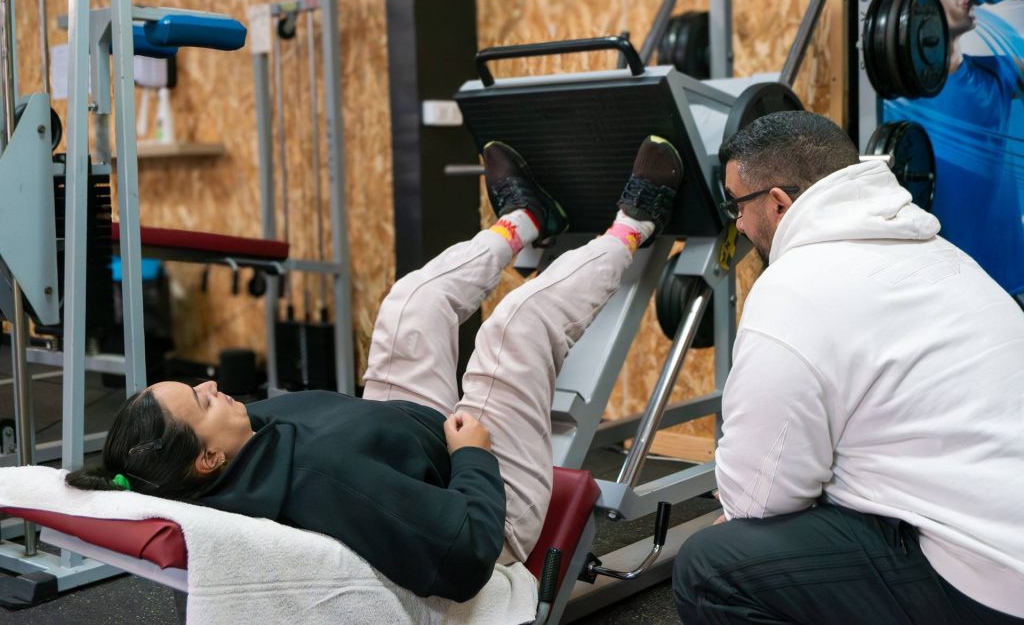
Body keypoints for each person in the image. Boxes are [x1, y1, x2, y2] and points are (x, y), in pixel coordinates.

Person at [66, 135, 684, 603]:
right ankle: (635, 229)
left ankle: (525, 220)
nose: (210, 385)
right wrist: (471, 454)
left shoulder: (224, 454)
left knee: (409, 305)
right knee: (514, 328)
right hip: (481, 503)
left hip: (399, 436)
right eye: (200, 401)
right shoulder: (324, 485)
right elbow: (464, 557)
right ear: (207, 460)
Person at [672, 110, 1024, 623]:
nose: (740, 224)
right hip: (1004, 538)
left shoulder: (794, 286)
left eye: (737, 206)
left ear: (778, 203)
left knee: (711, 564)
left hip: (990, 584)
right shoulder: (948, 257)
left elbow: (755, 501)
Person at [887, 0, 1024, 297]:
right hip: (944, 293)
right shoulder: (895, 98)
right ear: (917, 12)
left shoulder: (999, 72)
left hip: (1012, 281)